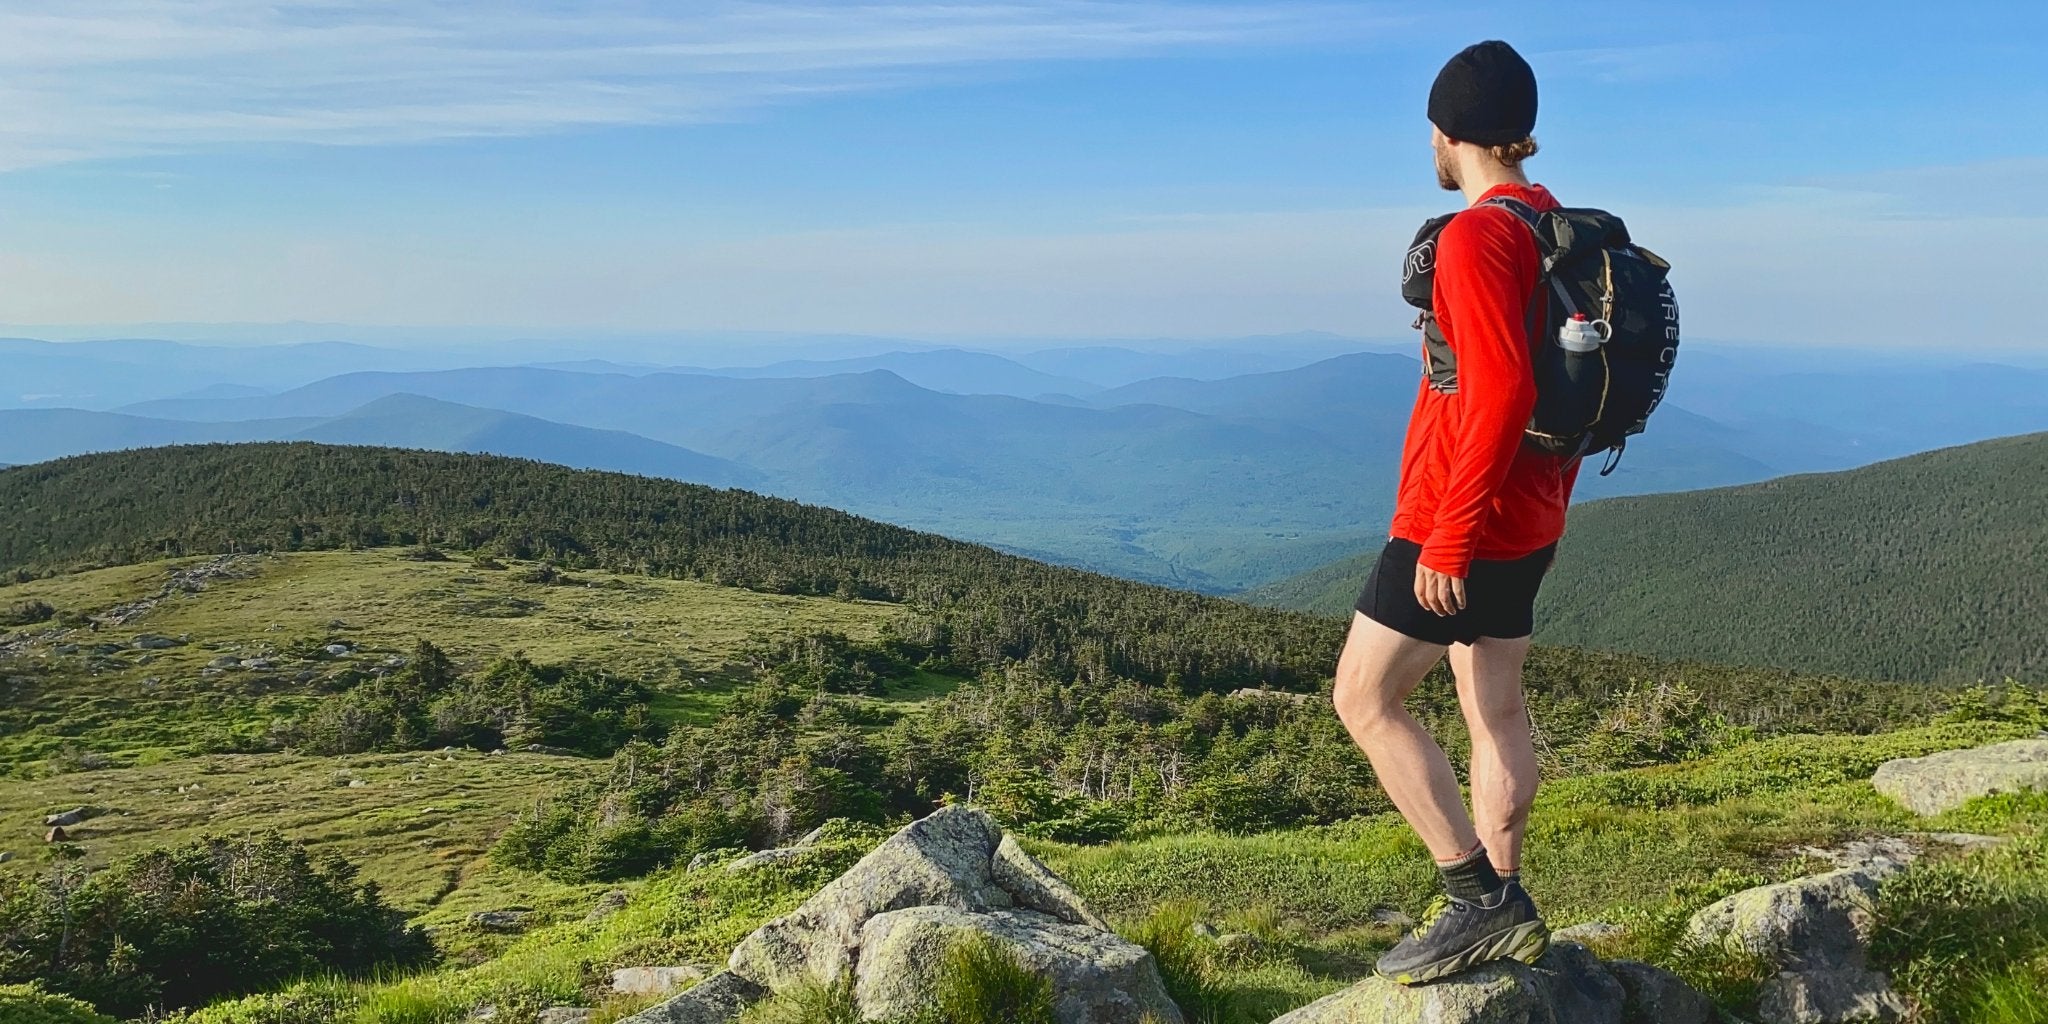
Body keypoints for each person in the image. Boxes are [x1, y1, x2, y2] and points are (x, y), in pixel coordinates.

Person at [1332, 39, 1580, 985]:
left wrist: (1450, 535)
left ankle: (1478, 900)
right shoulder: (1552, 225)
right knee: (1493, 706)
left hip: (1460, 517)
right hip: (1533, 517)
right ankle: (1506, 896)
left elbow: (1503, 391)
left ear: (1447, 133)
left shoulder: (1477, 237)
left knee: (1364, 698)